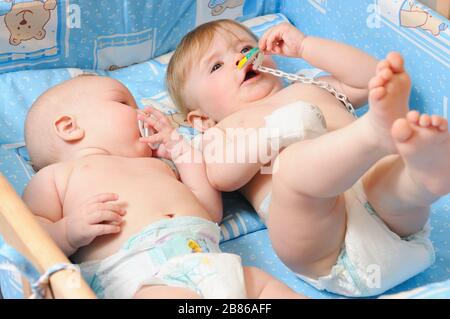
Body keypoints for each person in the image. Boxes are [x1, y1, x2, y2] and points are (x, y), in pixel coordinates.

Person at [164, 19, 450, 296]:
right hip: (328, 250)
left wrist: (305, 47)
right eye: (216, 66)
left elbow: (373, 80)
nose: (241, 60)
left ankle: (422, 181)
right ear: (201, 118)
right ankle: (373, 136)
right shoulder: (220, 131)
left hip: (393, 223)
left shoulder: (309, 86)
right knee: (291, 168)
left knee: (389, 182)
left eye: (244, 48)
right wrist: (276, 133)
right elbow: (221, 176)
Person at [22, 75, 304, 299]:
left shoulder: (161, 166)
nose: (141, 112)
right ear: (69, 127)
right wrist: (67, 231)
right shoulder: (55, 177)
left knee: (262, 285)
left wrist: (182, 152)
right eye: (125, 104)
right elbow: (28, 235)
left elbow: (209, 210)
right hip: (141, 280)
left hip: (212, 266)